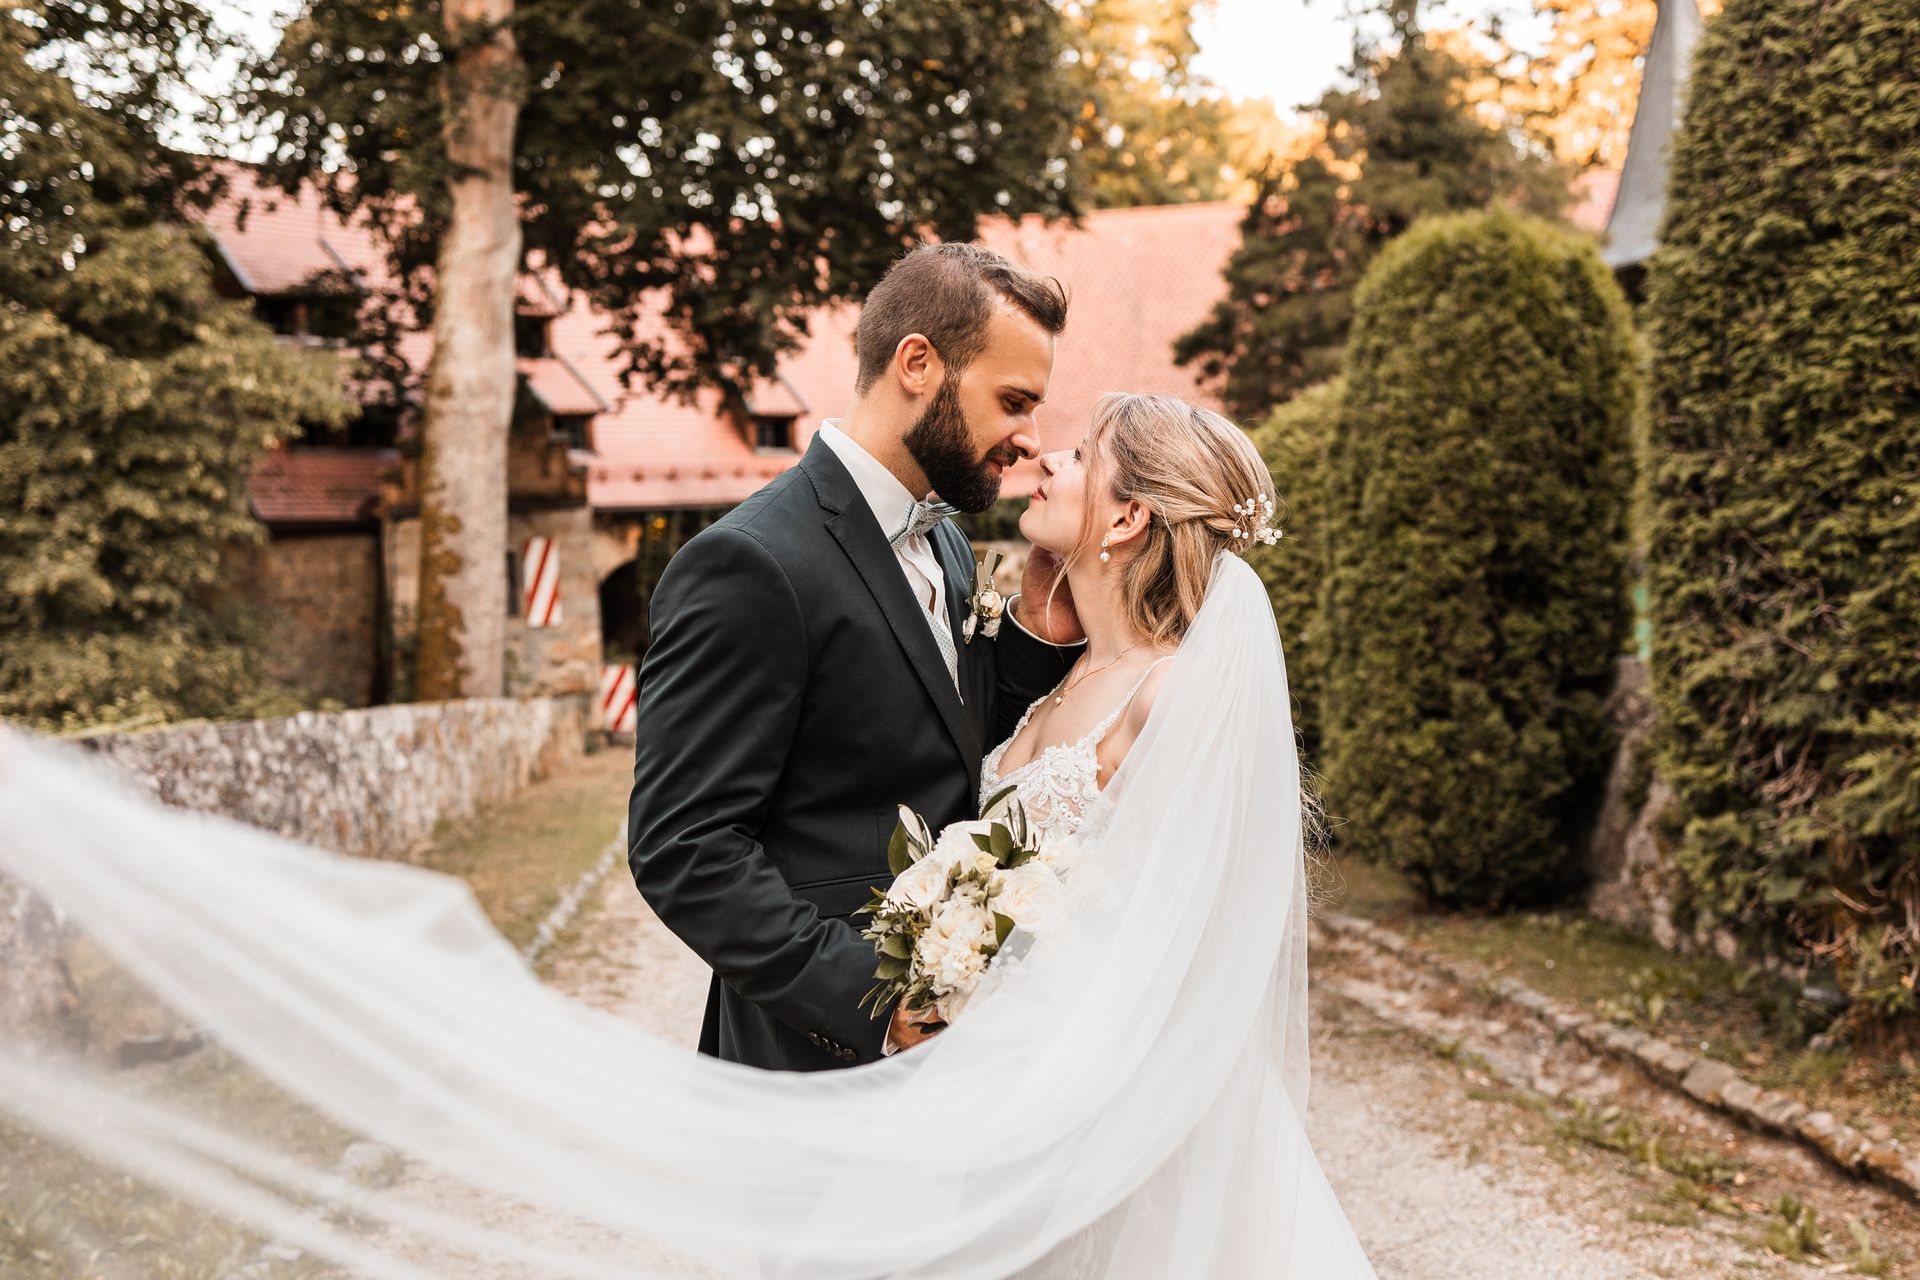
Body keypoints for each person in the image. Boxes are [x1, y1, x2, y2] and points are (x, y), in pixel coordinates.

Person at [0, 382, 1375, 1275]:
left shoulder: (1180, 696)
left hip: (1086, 1112)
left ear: (1127, 513)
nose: (1037, 454)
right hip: (986, 1085)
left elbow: (1174, 940)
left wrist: (996, 1029)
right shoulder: (1066, 662)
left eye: (1070, 454)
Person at [626, 242, 1087, 1072]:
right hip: (813, 1059)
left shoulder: (944, 540)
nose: (1029, 439)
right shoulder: (750, 564)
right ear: (918, 363)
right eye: (1013, 401)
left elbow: (952, 736)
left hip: (955, 1060)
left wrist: (1043, 620)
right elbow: (685, 846)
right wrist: (874, 1005)